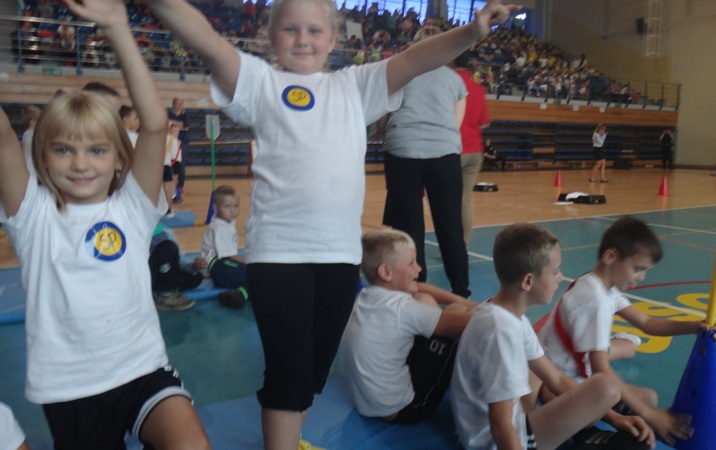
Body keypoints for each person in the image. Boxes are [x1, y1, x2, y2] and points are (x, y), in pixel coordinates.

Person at [148, 0, 514, 447]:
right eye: (290, 29)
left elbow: (417, 58)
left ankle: (291, 438)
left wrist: (473, 30)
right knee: (288, 373)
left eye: (314, 30)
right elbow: (207, 41)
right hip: (279, 256)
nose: (303, 39)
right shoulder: (261, 82)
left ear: (334, 39)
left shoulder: (355, 86)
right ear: (270, 37)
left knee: (315, 371)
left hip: (339, 256)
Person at [0, 0, 210, 447]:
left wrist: (116, 27)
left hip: (142, 369)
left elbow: (154, 124)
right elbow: (1, 136)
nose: (80, 164)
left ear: (119, 158)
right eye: (63, 150)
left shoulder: (131, 208)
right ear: (42, 156)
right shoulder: (32, 216)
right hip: (69, 389)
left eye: (96, 150)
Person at [451, 223, 655, 450]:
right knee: (608, 389)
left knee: (606, 390)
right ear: (528, 281)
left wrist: (615, 419)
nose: (561, 277)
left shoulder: (507, 314)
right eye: (555, 271)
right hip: (496, 442)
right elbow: (501, 425)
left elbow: (555, 378)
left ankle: (588, 433)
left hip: (505, 428)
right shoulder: (501, 333)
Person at [537, 216, 716, 446]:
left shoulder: (601, 284)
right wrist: (649, 415)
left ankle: (601, 418)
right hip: (557, 389)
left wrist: (695, 326)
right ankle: (584, 435)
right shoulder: (595, 300)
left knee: (649, 398)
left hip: (579, 380)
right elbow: (601, 370)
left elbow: (647, 323)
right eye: (637, 269)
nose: (641, 277)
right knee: (638, 414)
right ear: (610, 257)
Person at [342, 229, 475, 423]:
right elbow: (468, 322)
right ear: (386, 272)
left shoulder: (365, 296)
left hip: (367, 403)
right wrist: (493, 307)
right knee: (458, 317)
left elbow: (420, 289)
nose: (418, 268)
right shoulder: (402, 309)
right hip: (406, 408)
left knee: (425, 299)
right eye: (412, 263)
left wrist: (468, 303)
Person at [381, 26, 471, 298]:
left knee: (408, 226)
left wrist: (387, 133)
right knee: (450, 225)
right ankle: (460, 291)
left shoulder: (400, 71)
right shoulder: (455, 80)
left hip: (402, 149)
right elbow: (456, 124)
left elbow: (384, 115)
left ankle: (415, 288)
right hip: (443, 151)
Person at [453, 50, 491, 248]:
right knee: (464, 200)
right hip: (475, 149)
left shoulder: (449, 84)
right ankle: (462, 243)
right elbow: (484, 123)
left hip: (454, 149)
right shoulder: (478, 88)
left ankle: (450, 243)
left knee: (447, 200)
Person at [201, 185, 249, 309]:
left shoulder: (225, 221)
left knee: (254, 274)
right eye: (227, 207)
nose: (232, 211)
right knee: (253, 272)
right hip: (221, 268)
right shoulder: (220, 227)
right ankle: (238, 296)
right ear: (215, 207)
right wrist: (249, 262)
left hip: (220, 268)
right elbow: (231, 256)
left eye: (235, 206)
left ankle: (240, 293)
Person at [149, 220, 205, 311]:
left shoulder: (165, 231)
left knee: (196, 277)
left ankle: (160, 291)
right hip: (143, 277)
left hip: (160, 275)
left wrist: (194, 266)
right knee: (168, 247)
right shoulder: (133, 231)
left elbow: (181, 260)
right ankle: (165, 297)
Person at [167, 97, 190, 203]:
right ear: (173, 104)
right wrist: (178, 124)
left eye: (180, 104)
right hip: (170, 142)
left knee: (181, 165)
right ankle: (170, 188)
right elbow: (167, 124)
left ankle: (180, 186)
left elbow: (186, 127)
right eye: (176, 103)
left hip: (182, 142)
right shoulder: (168, 113)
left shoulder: (185, 115)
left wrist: (173, 123)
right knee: (170, 165)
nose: (178, 105)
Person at [19, 106, 40, 175]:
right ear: (32, 122)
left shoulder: (31, 134)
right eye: (39, 121)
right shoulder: (29, 134)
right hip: (31, 167)